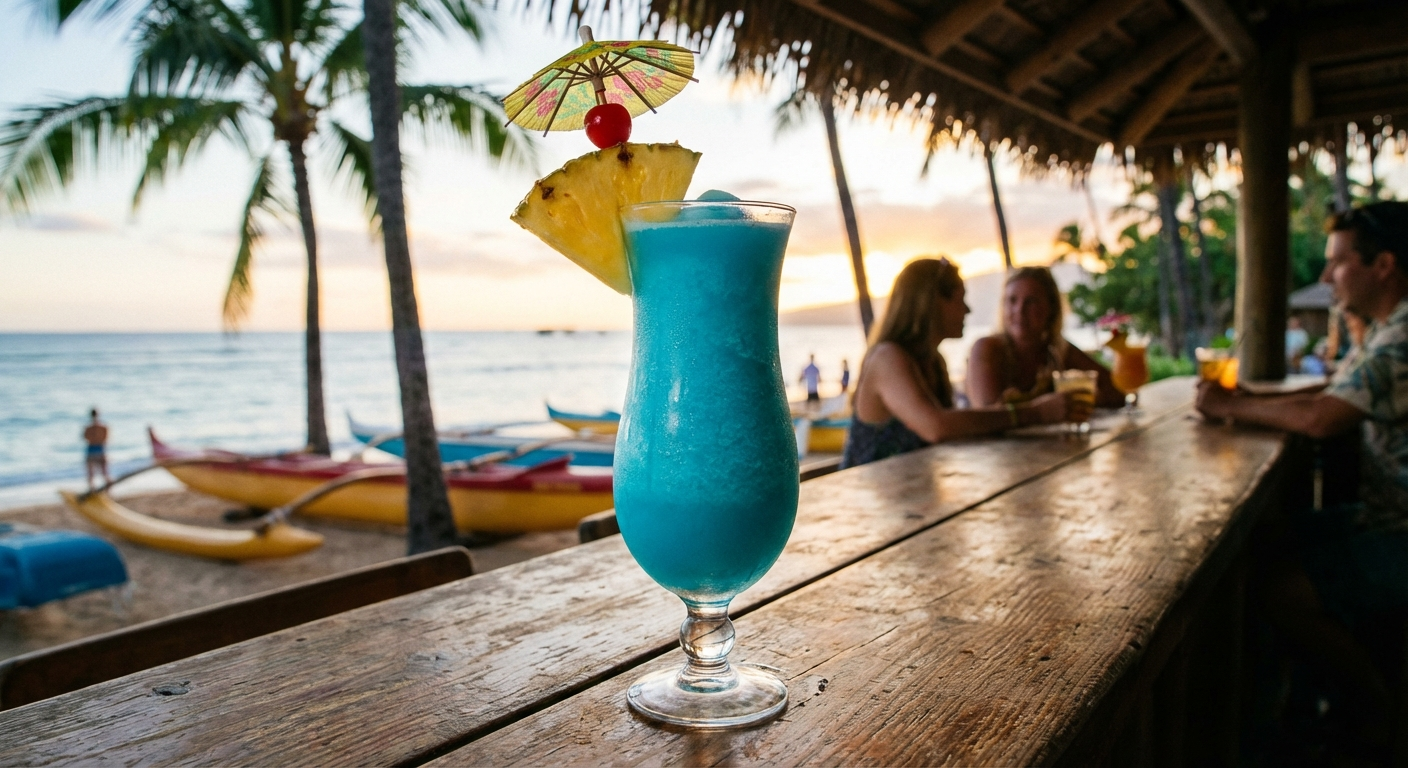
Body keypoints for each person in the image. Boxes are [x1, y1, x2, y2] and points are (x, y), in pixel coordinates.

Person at [1196, 201, 1408, 736]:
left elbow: (1320, 417)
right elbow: (1336, 389)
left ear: (1383, 264)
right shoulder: (1388, 330)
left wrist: (1228, 407)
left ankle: (1376, 704)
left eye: (1337, 261)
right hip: (1382, 515)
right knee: (1268, 540)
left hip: (1399, 532)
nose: (1325, 275)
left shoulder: (1402, 339)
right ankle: (1301, 695)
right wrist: (1251, 394)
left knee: (1278, 591)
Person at [841, 258, 1080, 469]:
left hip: (913, 501)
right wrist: (1035, 413)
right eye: (960, 299)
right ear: (934, 302)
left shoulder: (933, 362)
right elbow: (936, 427)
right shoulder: (888, 358)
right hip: (869, 507)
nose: (968, 309)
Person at [966, 266, 1124, 408]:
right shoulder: (987, 349)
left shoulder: (1056, 351)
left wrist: (1090, 399)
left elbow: (1119, 389)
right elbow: (988, 415)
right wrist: (1047, 410)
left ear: (1051, 309)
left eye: (1031, 301)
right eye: (1012, 300)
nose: (1019, 310)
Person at [84, 408, 111, 491]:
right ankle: (108, 491)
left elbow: (86, 438)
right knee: (104, 473)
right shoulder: (103, 427)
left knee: (91, 474)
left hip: (91, 450)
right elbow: (106, 439)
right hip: (100, 449)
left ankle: (92, 491)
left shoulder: (88, 428)